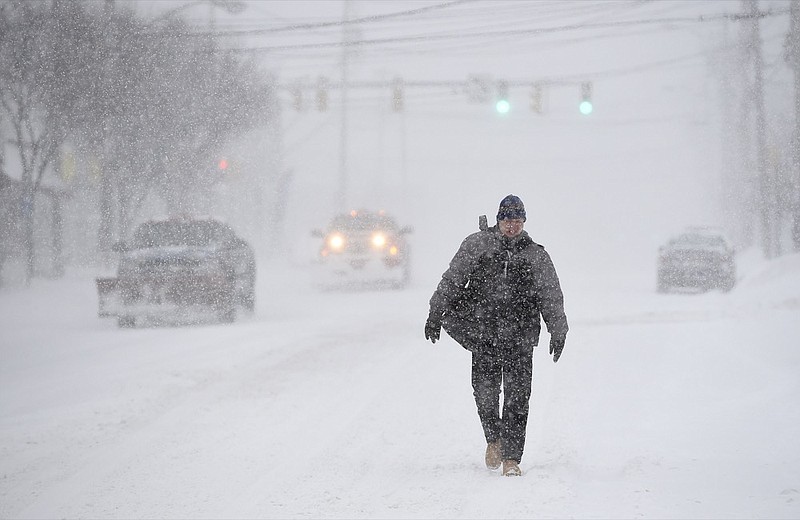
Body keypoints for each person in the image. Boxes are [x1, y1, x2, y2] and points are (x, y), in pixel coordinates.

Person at [424, 194, 568, 477]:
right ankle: (494, 440)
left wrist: (558, 330)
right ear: (498, 220)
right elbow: (452, 279)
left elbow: (550, 294)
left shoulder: (535, 255)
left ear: (524, 222)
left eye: (516, 221)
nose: (511, 226)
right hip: (484, 334)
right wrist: (435, 312)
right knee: (486, 395)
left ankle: (512, 459)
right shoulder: (477, 246)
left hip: (521, 337)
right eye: (506, 220)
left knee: (517, 398)